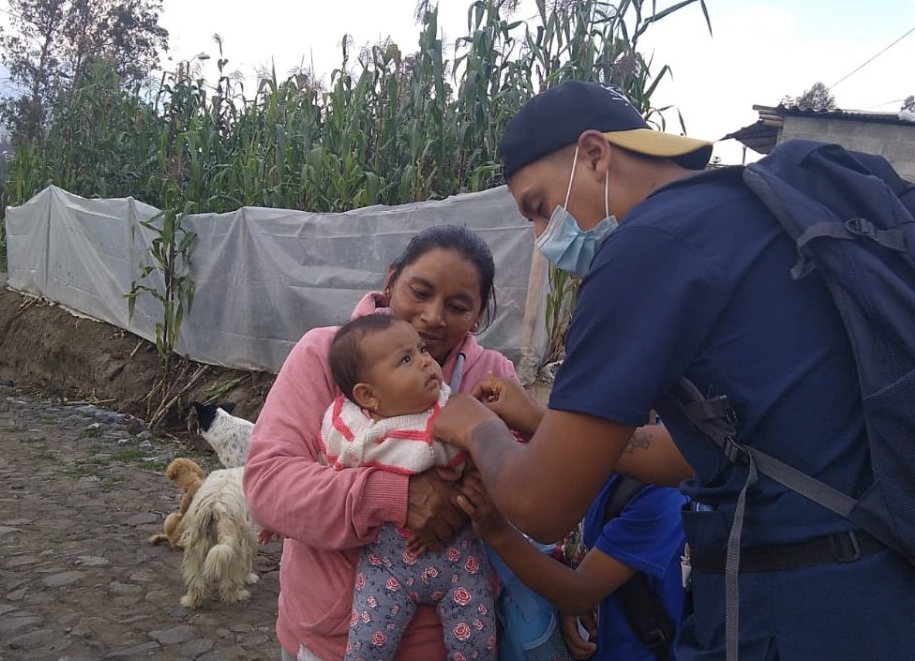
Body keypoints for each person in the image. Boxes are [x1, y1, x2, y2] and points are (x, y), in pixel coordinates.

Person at [431, 80, 915, 660]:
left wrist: (475, 425)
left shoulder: (646, 249)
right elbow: (686, 452)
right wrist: (546, 421)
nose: (543, 236)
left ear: (595, 155)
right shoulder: (756, 215)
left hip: (808, 609)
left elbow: (543, 507)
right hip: (914, 599)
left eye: (540, 207)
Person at [243, 225, 518, 661]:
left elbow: (524, 484)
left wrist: (475, 493)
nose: (432, 317)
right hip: (332, 640)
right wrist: (393, 495)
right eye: (420, 292)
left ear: (479, 314)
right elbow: (268, 485)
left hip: (455, 641)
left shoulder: (494, 377)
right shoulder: (326, 356)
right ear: (390, 280)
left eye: (458, 305)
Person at [320, 313, 496, 661]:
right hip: (386, 566)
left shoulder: (453, 412)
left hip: (458, 558)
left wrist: (467, 498)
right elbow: (321, 474)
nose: (426, 363)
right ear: (368, 395)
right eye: (406, 359)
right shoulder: (351, 429)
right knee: (367, 646)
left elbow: (485, 462)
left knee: (476, 643)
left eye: (422, 350)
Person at [455, 461, 687, 661]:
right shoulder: (599, 460)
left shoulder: (663, 490)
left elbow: (582, 591)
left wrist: (496, 531)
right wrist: (570, 605)